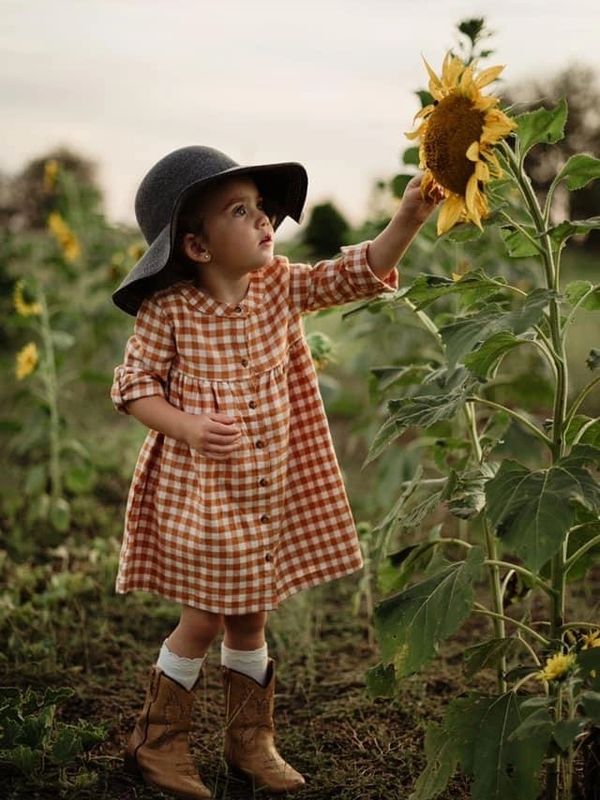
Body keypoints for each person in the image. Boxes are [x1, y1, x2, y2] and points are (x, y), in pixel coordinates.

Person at [110, 145, 440, 799]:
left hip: (269, 490)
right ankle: (158, 739)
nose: (265, 221)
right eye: (241, 210)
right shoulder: (170, 310)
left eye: (262, 208)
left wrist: (408, 216)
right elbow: (133, 387)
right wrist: (187, 426)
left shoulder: (279, 285)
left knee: (251, 617)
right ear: (198, 247)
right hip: (203, 494)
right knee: (202, 618)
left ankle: (250, 741)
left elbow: (357, 273)